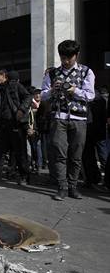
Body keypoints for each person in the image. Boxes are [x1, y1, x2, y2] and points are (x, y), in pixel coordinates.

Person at [41, 40, 95, 200]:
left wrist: (74, 90)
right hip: (59, 117)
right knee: (59, 153)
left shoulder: (86, 72)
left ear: (76, 55)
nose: (65, 62)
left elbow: (90, 95)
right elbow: (42, 95)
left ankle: (73, 186)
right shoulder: (52, 73)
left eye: (68, 58)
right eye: (62, 58)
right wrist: (52, 90)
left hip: (79, 118)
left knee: (76, 155)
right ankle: (62, 187)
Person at [0, 69, 33, 184]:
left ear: (4, 76)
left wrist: (21, 110)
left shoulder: (15, 86)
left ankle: (24, 176)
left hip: (15, 124)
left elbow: (28, 97)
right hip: (2, 126)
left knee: (20, 152)